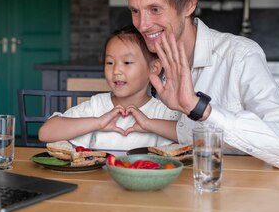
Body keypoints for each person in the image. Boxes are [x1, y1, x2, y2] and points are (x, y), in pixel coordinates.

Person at [120, 0, 279, 170]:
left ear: (189, 4)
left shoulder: (239, 56)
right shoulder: (142, 60)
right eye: (135, 11)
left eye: (154, 10)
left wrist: (199, 108)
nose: (142, 25)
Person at [38, 25, 180, 151]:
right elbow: (45, 133)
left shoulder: (162, 111)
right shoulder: (97, 106)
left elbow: (193, 136)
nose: (116, 70)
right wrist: (98, 123)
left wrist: (149, 124)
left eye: (127, 62)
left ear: (154, 68)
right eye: (110, 62)